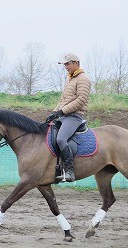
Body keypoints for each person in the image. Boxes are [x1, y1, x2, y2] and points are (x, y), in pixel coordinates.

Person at [46, 53, 91, 182]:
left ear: (76, 63)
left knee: (60, 139)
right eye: (64, 64)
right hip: (64, 115)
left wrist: (62, 111)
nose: (65, 66)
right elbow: (63, 99)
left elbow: (81, 100)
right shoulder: (70, 78)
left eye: (67, 64)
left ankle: (70, 171)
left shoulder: (83, 79)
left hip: (74, 116)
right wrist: (54, 113)